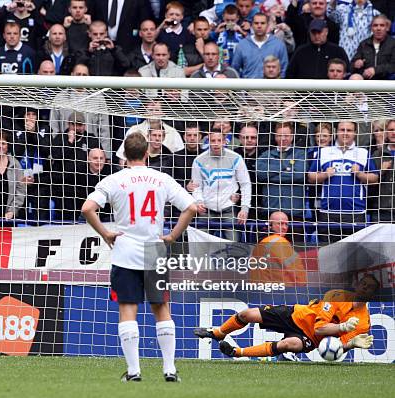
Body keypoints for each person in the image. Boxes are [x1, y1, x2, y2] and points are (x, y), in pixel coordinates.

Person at [81, 131, 197, 382]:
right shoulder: (161, 178)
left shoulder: (113, 180)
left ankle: (134, 371)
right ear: (148, 153)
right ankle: (169, 370)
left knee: (127, 308)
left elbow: (87, 208)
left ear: (124, 154)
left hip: (125, 250)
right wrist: (173, 235)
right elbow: (191, 207)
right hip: (154, 249)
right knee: (161, 308)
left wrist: (106, 234)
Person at [194, 274, 378, 359]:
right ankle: (219, 332)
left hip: (310, 339)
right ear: (357, 284)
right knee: (247, 314)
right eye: (363, 284)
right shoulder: (337, 296)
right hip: (295, 314)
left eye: (369, 288)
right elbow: (319, 327)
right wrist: (343, 327)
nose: (364, 288)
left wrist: (350, 345)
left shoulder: (364, 323)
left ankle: (237, 353)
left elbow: (334, 349)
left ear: (373, 295)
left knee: (289, 344)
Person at [308, 121, 379, 242]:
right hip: (328, 211)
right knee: (327, 253)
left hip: (356, 212)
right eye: (342, 130)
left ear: (355, 133)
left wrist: (359, 174)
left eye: (349, 130)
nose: (345, 133)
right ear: (336, 132)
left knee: (355, 255)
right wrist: (325, 174)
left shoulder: (363, 152)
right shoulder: (324, 152)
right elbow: (310, 177)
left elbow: (375, 179)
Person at [191, 131, 251, 241]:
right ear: (208, 141)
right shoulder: (198, 160)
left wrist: (244, 208)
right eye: (213, 140)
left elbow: (245, 184)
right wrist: (198, 201)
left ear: (224, 142)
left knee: (233, 246)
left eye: (219, 140)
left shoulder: (236, 158)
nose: (216, 143)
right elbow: (196, 186)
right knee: (200, 246)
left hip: (228, 209)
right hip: (206, 210)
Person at [256, 122, 308, 229]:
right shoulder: (267, 154)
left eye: (286, 135)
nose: (283, 138)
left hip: (294, 211)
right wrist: (286, 168)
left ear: (292, 136)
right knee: (269, 245)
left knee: (295, 245)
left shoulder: (301, 154)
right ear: (275, 136)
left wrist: (271, 173)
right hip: (271, 211)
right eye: (279, 135)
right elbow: (260, 173)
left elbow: (298, 175)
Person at [249, 211, 307, 285]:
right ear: (270, 225)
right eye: (280, 223)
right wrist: (302, 288)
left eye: (286, 224)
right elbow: (296, 272)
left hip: (259, 291)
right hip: (281, 292)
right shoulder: (280, 242)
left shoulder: (259, 245)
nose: (284, 227)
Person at [231, 13, 288, 78]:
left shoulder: (278, 44)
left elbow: (284, 69)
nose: (259, 26)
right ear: (252, 25)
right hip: (248, 87)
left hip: (271, 86)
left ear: (267, 25)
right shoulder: (242, 45)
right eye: (256, 23)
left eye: (263, 23)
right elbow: (235, 69)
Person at [351, 14, 395, 80]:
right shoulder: (364, 44)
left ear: (387, 28)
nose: (378, 28)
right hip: (367, 80)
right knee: (355, 77)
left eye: (382, 25)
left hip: (387, 80)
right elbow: (351, 66)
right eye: (375, 25)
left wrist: (375, 70)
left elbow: (393, 66)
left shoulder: (393, 43)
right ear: (371, 28)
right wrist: (356, 64)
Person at [372, 119, 395, 222]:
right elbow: (369, 183)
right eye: (391, 130)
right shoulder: (377, 155)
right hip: (381, 210)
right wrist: (380, 172)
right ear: (386, 132)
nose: (394, 133)